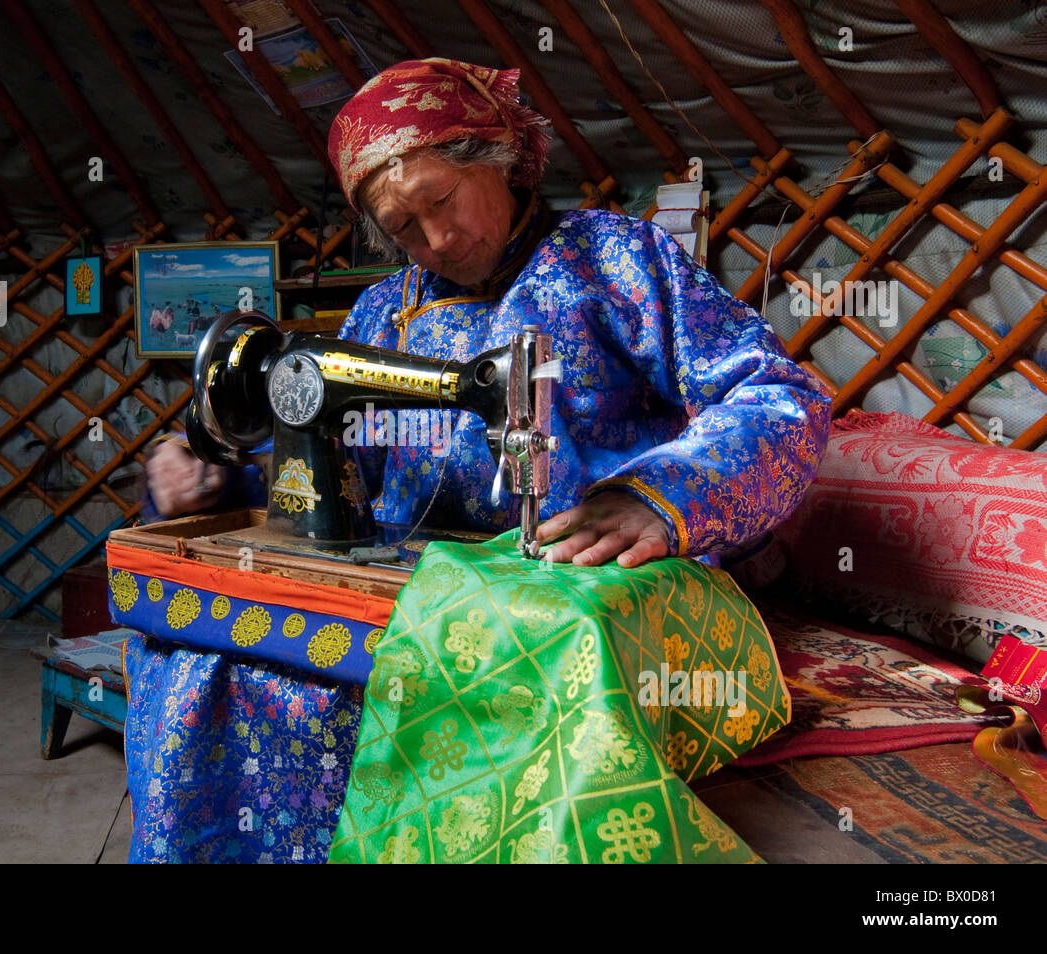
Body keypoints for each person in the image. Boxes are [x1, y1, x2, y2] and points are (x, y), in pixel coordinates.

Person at [128, 57, 831, 864]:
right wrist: (217, 474)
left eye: (441, 202)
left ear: (496, 160)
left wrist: (657, 497)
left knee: (525, 686)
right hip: (428, 592)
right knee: (216, 665)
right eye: (401, 228)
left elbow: (780, 395)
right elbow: (346, 461)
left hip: (592, 572)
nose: (434, 240)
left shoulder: (611, 259)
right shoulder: (384, 310)